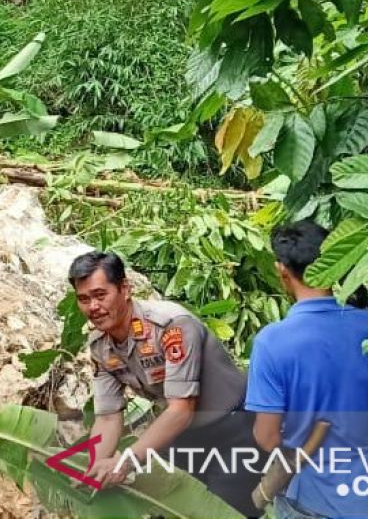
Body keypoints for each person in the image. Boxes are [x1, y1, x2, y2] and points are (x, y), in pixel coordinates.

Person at [72, 251, 262, 516]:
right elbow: (107, 417)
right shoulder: (100, 346)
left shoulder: (171, 325)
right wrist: (94, 469)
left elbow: (180, 409)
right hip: (185, 434)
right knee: (164, 508)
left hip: (235, 428)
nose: (92, 307)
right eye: (84, 299)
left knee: (223, 511)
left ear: (125, 289)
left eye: (100, 295)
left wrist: (126, 462)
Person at [245, 221, 368, 519]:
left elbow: (266, 437)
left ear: (281, 270)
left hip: (313, 500)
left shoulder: (272, 342)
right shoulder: (364, 326)